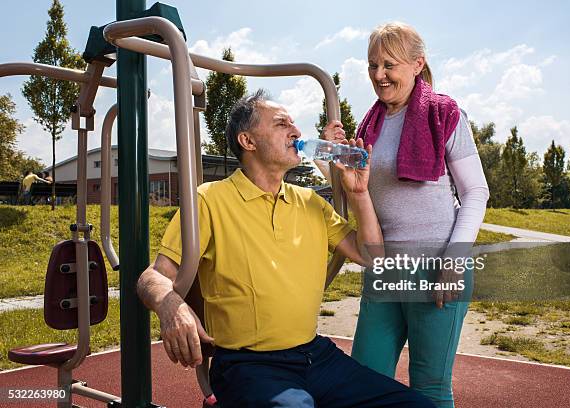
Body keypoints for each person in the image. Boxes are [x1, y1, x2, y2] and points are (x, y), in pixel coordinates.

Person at [137, 90, 434, 408]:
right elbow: (152, 276)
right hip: (248, 365)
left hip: (315, 356)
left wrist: (359, 193)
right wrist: (172, 306)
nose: (296, 132)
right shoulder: (209, 199)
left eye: (294, 124)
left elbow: (373, 257)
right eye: (281, 124)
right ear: (248, 141)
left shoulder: (310, 202)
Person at [321, 22, 489, 408]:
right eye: (372, 65)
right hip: (383, 268)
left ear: (417, 64)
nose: (379, 76)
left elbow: (476, 191)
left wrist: (456, 258)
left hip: (437, 267)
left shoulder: (444, 113)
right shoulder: (369, 123)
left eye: (389, 65)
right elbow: (353, 188)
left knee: (428, 387)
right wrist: (333, 152)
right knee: (365, 381)